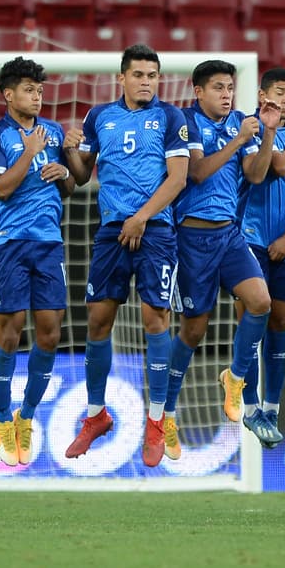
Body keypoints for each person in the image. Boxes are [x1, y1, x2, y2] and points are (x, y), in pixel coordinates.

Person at [63, 45, 189, 466]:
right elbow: (82, 177)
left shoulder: (171, 118)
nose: (147, 82)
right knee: (98, 319)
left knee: (156, 318)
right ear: (122, 78)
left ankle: (156, 422)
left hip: (155, 231)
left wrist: (141, 217)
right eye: (139, 75)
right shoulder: (99, 116)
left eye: (153, 75)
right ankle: (96, 415)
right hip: (112, 231)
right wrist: (71, 152)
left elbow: (178, 179)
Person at [163, 59, 282, 453]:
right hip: (192, 238)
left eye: (230, 88)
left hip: (229, 235)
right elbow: (196, 172)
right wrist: (236, 140)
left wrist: (266, 133)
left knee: (261, 301)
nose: (227, 95)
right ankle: (165, 414)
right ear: (198, 92)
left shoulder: (240, 123)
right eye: (218, 88)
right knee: (193, 331)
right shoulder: (186, 122)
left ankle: (236, 377)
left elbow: (255, 174)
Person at [0, 56, 77, 467]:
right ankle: (1, 417)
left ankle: (27, 417)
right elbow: (0, 189)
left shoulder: (52, 131)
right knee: (11, 332)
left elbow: (69, 186)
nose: (37, 97)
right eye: (29, 90)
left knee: (50, 334)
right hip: (10, 243)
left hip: (49, 243)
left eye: (40, 90)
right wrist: (30, 153)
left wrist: (63, 169)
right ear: (9, 94)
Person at [236, 68, 285, 448]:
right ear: (263, 93)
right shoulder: (249, 126)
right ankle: (249, 406)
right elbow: (279, 166)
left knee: (281, 321)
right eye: (280, 92)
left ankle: (271, 409)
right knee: (252, 317)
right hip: (248, 237)